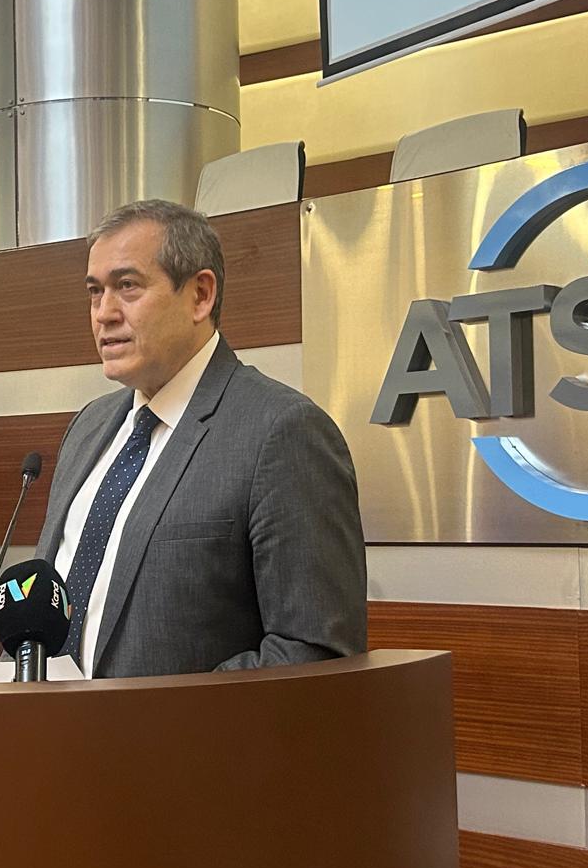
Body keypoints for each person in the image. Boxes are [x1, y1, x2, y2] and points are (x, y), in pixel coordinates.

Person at [33, 199, 366, 679]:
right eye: (94, 292)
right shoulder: (87, 428)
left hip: (183, 730)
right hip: (46, 725)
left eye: (127, 286)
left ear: (200, 295)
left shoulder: (281, 431)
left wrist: (164, 712)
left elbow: (314, 653)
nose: (104, 313)